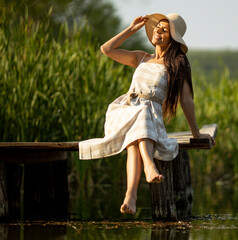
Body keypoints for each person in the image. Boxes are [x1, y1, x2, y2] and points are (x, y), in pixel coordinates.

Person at [79, 13, 215, 215]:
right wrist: (131, 29)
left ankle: (130, 197)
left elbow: (186, 101)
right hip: (125, 111)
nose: (157, 31)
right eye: (157, 27)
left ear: (173, 38)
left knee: (135, 140)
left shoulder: (178, 64)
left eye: (164, 30)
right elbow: (106, 49)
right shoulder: (141, 57)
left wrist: (196, 134)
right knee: (139, 114)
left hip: (149, 117)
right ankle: (149, 167)